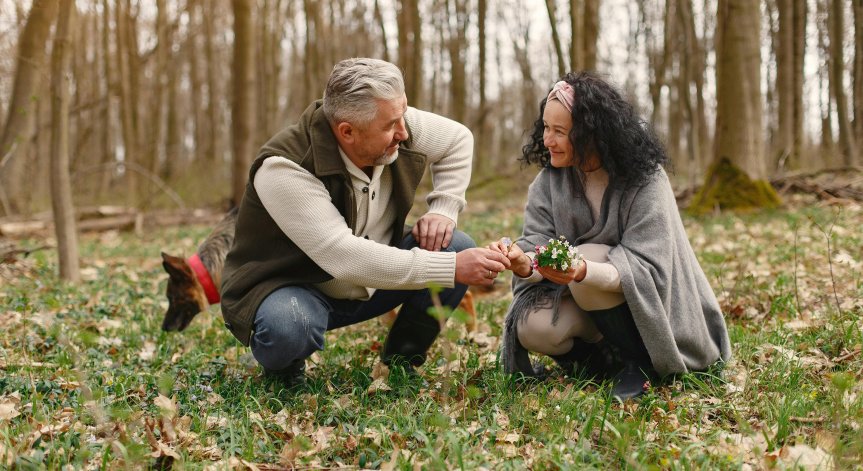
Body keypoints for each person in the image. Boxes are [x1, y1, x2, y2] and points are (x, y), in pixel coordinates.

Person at [220, 58, 510, 385]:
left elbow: (458, 139)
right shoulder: (285, 168)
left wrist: (444, 208)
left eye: (403, 116)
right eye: (390, 126)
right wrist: (451, 269)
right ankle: (284, 369)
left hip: (373, 281)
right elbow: (343, 256)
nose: (404, 132)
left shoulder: (390, 119)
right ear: (347, 132)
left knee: (454, 245)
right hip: (295, 287)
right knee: (290, 325)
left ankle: (400, 362)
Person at [489, 72, 731, 401]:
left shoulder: (645, 178)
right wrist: (522, 263)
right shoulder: (548, 184)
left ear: (592, 133)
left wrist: (583, 270)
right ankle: (603, 362)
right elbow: (537, 247)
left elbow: (650, 266)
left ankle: (639, 363)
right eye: (546, 127)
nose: (547, 140)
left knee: (587, 257)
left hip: (654, 308)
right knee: (534, 326)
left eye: (560, 131)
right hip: (586, 300)